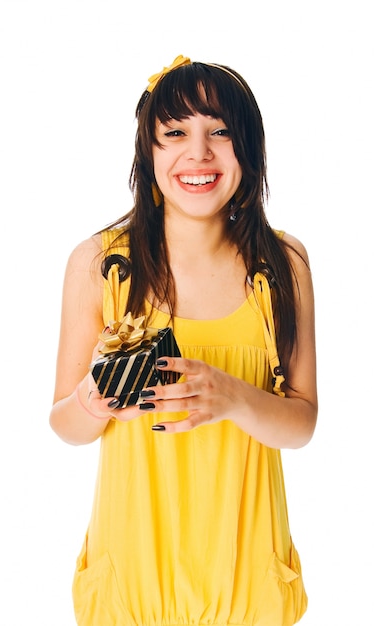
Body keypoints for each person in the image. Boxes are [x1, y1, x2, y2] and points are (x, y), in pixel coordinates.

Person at [49, 55, 318, 626]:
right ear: (148, 154)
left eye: (219, 132)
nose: (198, 153)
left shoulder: (283, 264)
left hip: (245, 585)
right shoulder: (101, 264)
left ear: (249, 148)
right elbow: (64, 425)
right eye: (174, 134)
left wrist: (233, 396)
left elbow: (302, 424)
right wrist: (91, 402)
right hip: (133, 587)